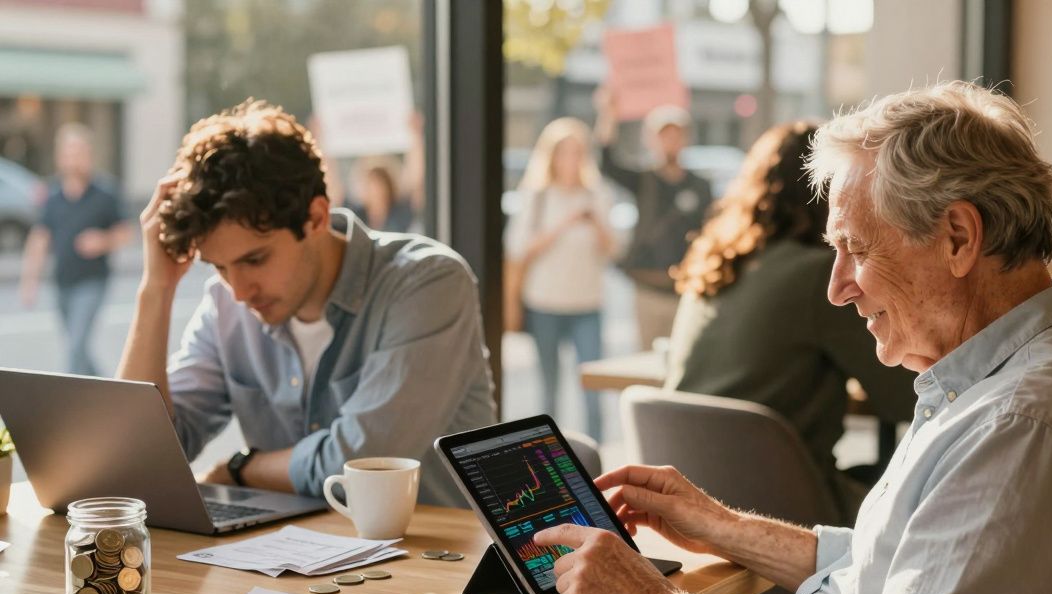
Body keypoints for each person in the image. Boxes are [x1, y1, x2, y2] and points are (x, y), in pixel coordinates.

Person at [511, 81, 1052, 594]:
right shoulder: (1029, 372)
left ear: (958, 237)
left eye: (855, 250)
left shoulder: (1020, 426)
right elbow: (896, 567)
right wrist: (725, 527)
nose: (838, 288)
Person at [116, 100, 496, 507]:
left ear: (315, 218)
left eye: (255, 260)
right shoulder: (225, 305)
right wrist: (156, 290)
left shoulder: (428, 283)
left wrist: (241, 469)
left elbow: (360, 467)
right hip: (292, 546)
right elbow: (139, 460)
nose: (239, 291)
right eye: (219, 267)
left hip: (435, 545)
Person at [665, 121, 915, 521]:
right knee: (920, 490)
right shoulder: (819, 276)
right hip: (784, 507)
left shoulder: (714, 264)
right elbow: (907, 396)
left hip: (692, 500)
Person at [505, 117, 615, 440]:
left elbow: (613, 251)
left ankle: (596, 455)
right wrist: (564, 224)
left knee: (593, 393)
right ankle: (548, 455)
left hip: (587, 304)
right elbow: (518, 248)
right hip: (545, 304)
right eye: (563, 152)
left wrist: (595, 223)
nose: (570, 159)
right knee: (549, 390)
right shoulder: (536, 196)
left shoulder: (597, 194)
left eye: (577, 152)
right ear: (550, 156)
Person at [594, 89, 713, 350]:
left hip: (686, 289)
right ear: (652, 140)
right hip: (648, 286)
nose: (670, 141)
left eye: (676, 135)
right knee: (647, 356)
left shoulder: (700, 186)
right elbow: (608, 163)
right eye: (664, 135)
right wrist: (608, 114)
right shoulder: (644, 181)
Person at [19, 123, 131, 375]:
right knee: (78, 348)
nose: (74, 159)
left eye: (79, 152)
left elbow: (126, 233)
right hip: (62, 283)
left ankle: (65, 397)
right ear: (60, 157)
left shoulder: (105, 193)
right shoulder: (52, 196)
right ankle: (107, 388)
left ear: (89, 155)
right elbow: (39, 239)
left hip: (93, 281)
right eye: (69, 153)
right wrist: (29, 281)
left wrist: (102, 241)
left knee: (75, 347)